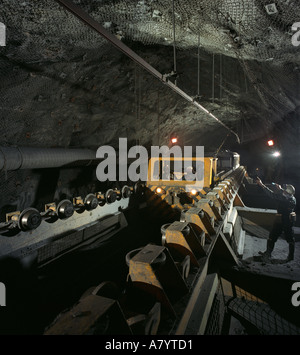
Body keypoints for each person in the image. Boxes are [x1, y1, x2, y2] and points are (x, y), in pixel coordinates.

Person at [256, 177, 296, 262]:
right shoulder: (291, 198)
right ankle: (268, 253)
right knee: (272, 236)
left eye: (284, 191)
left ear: (287, 193)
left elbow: (272, 195)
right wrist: (281, 189)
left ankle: (290, 257)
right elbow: (284, 195)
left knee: (289, 238)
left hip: (286, 220)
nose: (283, 192)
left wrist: (261, 185)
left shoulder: (285, 200)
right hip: (283, 219)